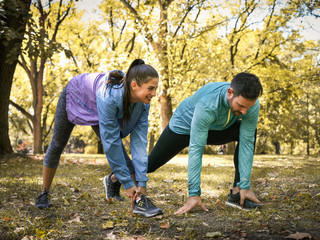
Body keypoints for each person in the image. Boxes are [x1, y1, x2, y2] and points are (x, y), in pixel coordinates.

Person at [106, 72, 263, 214]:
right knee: (150, 164)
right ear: (230, 93)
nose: (244, 112)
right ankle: (114, 178)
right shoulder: (208, 104)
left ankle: (238, 192)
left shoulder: (251, 105)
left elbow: (247, 142)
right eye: (241, 106)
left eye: (247, 108)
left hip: (215, 127)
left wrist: (245, 184)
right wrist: (194, 194)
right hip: (183, 127)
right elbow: (196, 148)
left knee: (248, 133)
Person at [35, 59, 163, 217]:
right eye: (150, 88)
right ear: (134, 85)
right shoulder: (108, 97)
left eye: (155, 88)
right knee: (57, 144)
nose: (154, 94)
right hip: (76, 94)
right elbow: (111, 141)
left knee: (126, 162)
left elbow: (139, 143)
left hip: (98, 106)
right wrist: (128, 184)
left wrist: (142, 183)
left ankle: (136, 198)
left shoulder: (144, 102)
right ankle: (44, 192)